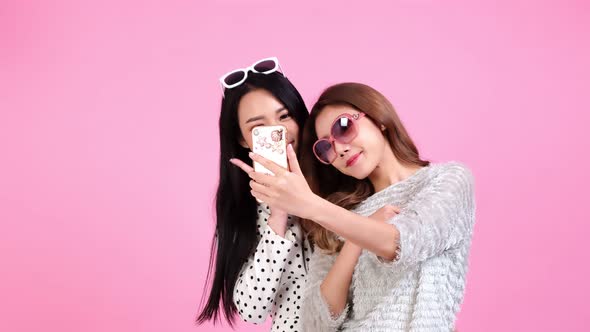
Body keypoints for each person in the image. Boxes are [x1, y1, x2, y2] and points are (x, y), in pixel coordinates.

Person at [243, 82, 476, 331]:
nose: (339, 149)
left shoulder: (448, 179)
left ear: (379, 118)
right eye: (325, 147)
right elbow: (316, 320)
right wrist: (352, 243)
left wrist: (312, 206)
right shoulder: (342, 213)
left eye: (343, 127)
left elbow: (404, 242)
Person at [196, 57, 311, 332]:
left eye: (285, 116)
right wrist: (278, 213)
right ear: (242, 139)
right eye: (259, 127)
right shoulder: (246, 207)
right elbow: (251, 309)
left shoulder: (340, 178)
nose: (278, 131)